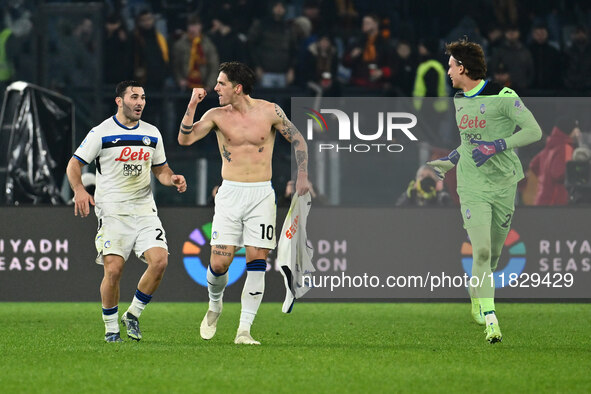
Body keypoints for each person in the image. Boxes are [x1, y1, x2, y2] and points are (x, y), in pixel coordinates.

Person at [178, 62, 310, 345]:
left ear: (237, 88)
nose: (215, 89)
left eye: (221, 84)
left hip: (261, 194)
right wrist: (191, 106)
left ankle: (244, 331)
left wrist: (303, 175)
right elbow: (185, 139)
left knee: (257, 259)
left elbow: (298, 139)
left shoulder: (270, 111)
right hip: (230, 193)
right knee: (219, 262)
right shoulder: (215, 115)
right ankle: (215, 304)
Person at [428, 39, 541, 343]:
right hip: (472, 184)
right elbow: (468, 143)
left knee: (492, 256)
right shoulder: (458, 99)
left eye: (450, 66)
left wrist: (498, 146)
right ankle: (491, 319)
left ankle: (477, 289)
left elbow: (534, 131)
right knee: (480, 250)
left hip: (504, 183)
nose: (448, 72)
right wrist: (451, 160)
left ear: (462, 67)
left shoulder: (504, 96)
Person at [65, 81, 187, 343]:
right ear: (119, 101)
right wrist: (78, 190)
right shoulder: (101, 132)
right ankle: (111, 328)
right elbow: (74, 164)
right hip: (113, 210)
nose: (140, 102)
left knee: (160, 261)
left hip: (144, 208)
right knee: (114, 269)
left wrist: (172, 178)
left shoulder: (152, 133)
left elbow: (161, 169)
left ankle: (133, 314)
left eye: (143, 97)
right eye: (134, 97)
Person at [529, 119, 581, 205]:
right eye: (576, 129)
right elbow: (559, 173)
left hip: (541, 200)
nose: (578, 133)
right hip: (555, 203)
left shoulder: (550, 147)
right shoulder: (565, 147)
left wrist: (545, 179)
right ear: (569, 130)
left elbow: (533, 165)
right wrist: (578, 172)